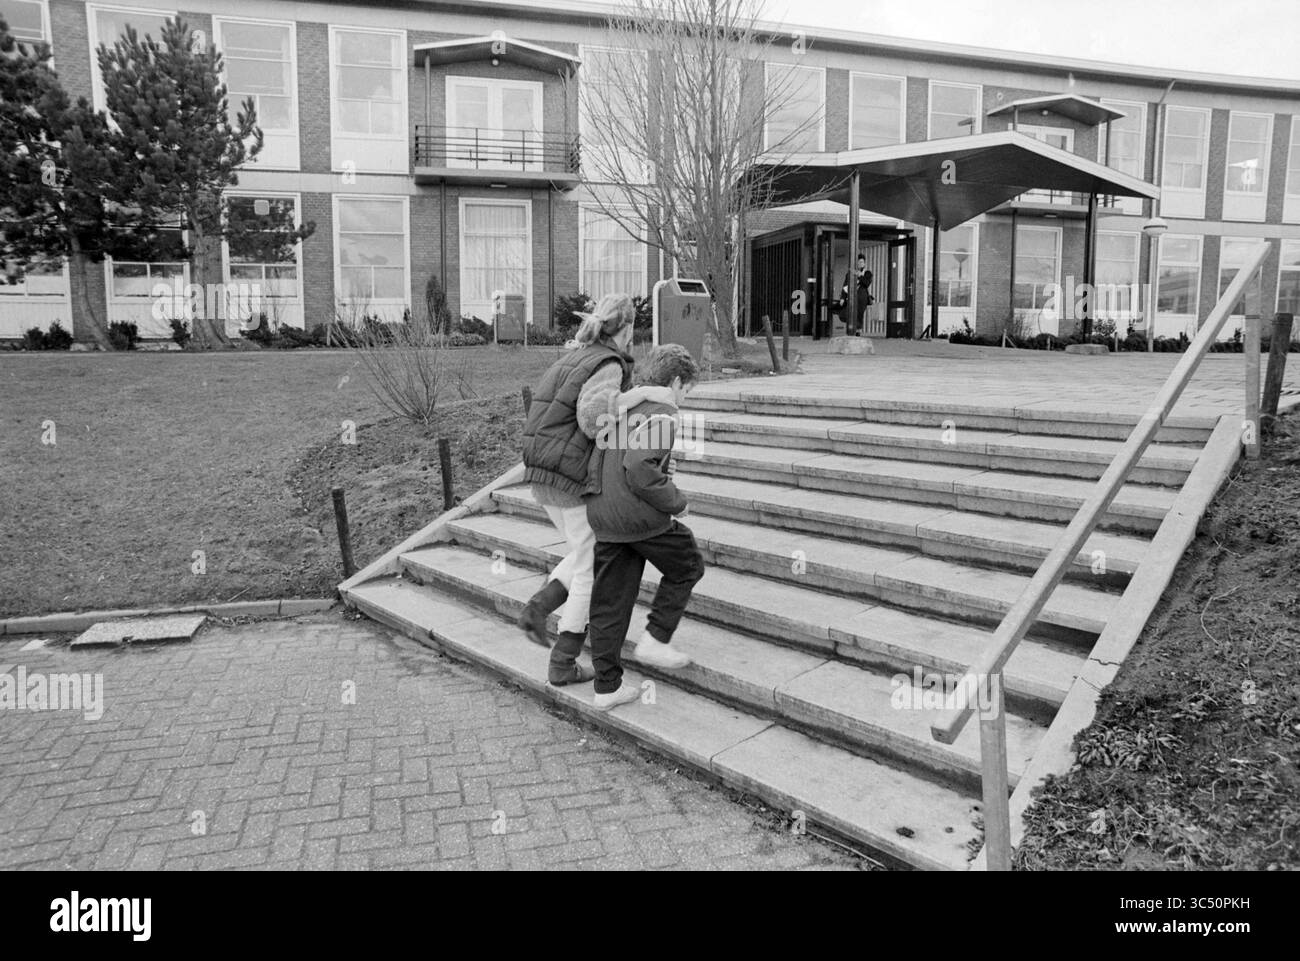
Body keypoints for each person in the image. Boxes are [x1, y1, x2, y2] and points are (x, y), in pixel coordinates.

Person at [517, 293, 670, 686]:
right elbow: (593, 418)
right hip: (568, 477)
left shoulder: (576, 354)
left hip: (542, 471)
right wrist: (642, 395)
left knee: (586, 550)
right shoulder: (607, 362)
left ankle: (540, 606)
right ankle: (563, 662)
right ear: (629, 329)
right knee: (591, 568)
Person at [583, 344, 705, 711]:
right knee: (688, 564)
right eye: (687, 390)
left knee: (611, 601)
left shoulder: (622, 405)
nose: (685, 399)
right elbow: (639, 469)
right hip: (637, 515)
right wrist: (677, 502)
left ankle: (606, 687)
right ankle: (655, 638)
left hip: (602, 512)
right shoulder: (664, 411)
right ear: (677, 381)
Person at [839, 255, 875, 336]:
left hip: (862, 299)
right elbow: (845, 286)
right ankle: (852, 328)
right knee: (844, 314)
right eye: (858, 262)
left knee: (859, 314)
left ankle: (857, 331)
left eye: (862, 262)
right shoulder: (850, 274)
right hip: (851, 297)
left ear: (864, 263)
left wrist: (860, 276)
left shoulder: (867, 273)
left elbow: (867, 283)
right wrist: (842, 297)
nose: (860, 264)